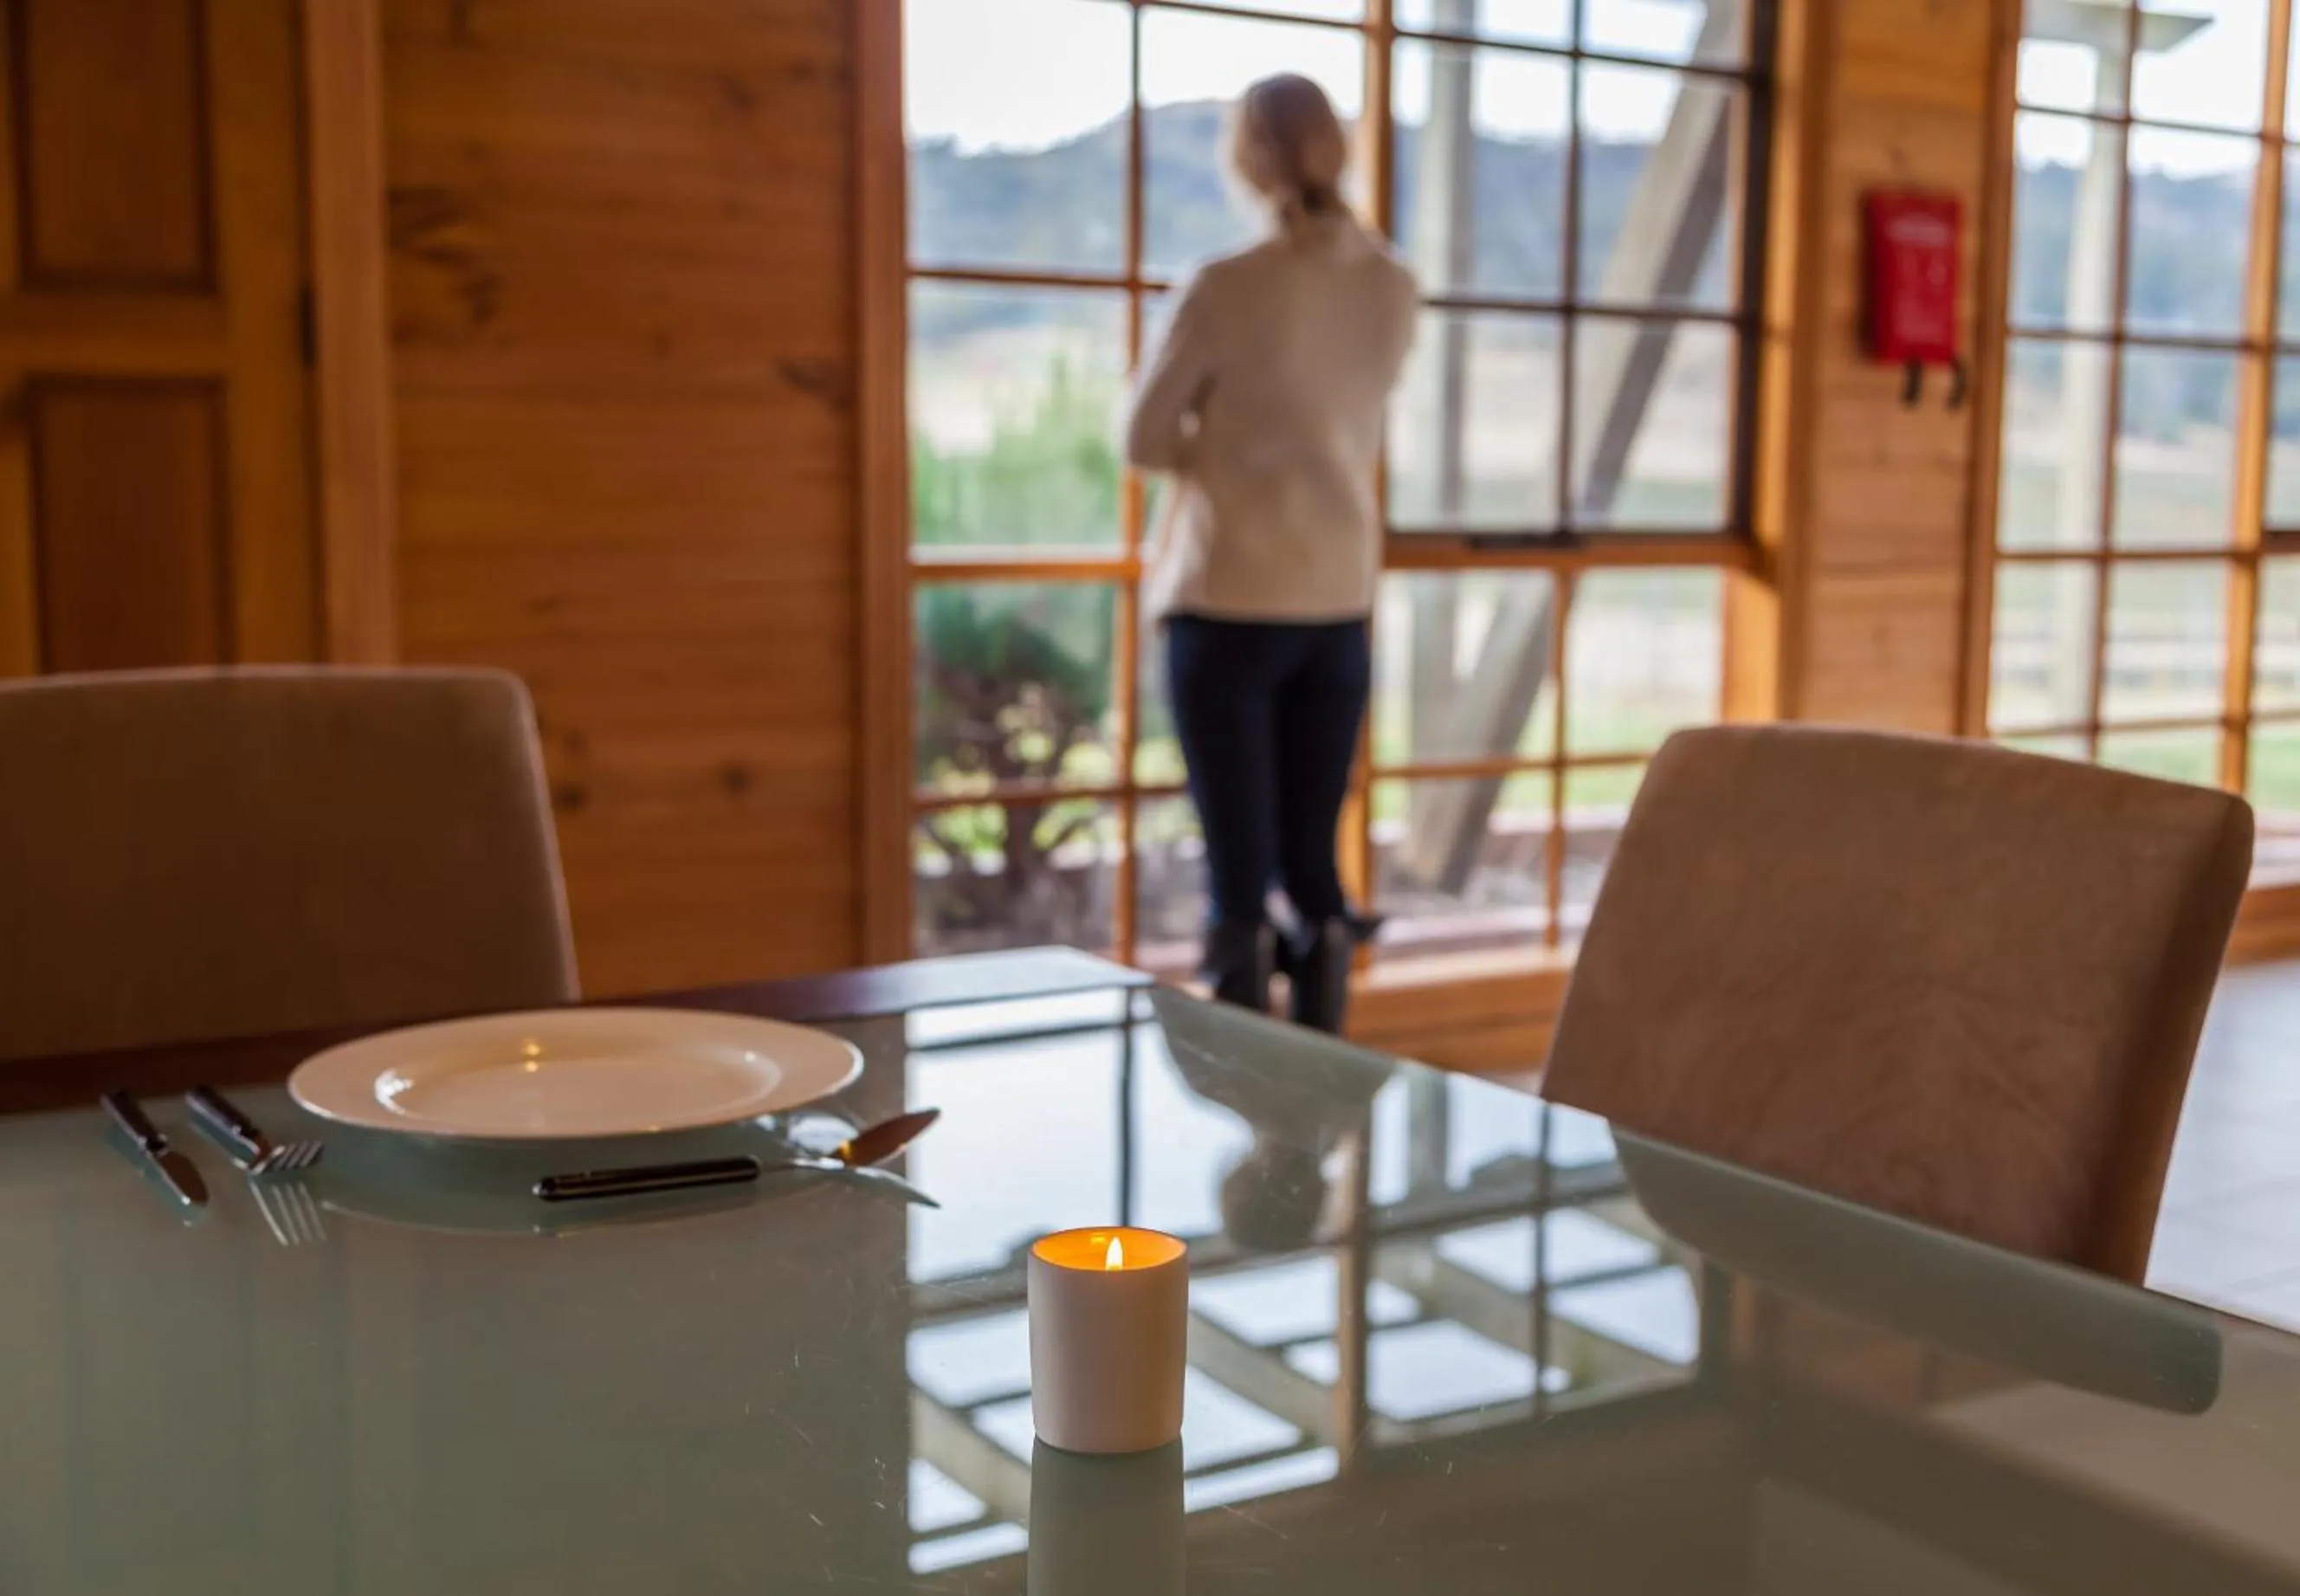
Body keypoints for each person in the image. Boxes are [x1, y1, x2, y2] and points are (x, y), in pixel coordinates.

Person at [1125, 73, 1418, 1035]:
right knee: (1314, 865)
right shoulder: (1392, 285)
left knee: (1240, 880)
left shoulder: (1225, 286)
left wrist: (1221, 444)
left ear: (1245, 159)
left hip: (1228, 602)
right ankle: (1326, 1095)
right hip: (1337, 602)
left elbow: (1142, 439)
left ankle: (1255, 1107)